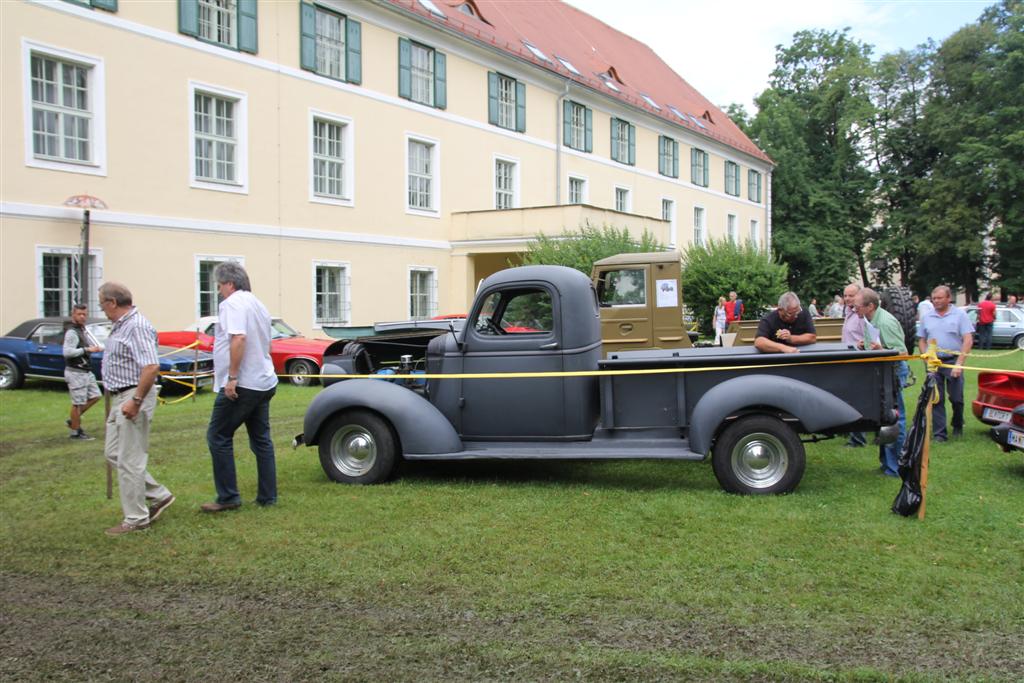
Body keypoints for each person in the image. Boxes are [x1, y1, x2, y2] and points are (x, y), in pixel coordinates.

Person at [98, 282, 175, 536]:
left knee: (130, 459)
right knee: (113, 453)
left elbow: (151, 367)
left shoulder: (136, 325)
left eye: (102, 304)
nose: (102, 309)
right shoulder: (121, 325)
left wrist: (137, 400)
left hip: (134, 395)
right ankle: (159, 495)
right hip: (121, 395)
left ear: (112, 302)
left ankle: (136, 518)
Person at [202, 261, 278, 513]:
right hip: (263, 380)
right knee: (261, 440)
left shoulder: (232, 304)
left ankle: (228, 497)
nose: (219, 290)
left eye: (220, 285)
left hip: (244, 383)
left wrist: (232, 377)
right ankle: (268, 496)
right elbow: (267, 343)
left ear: (230, 284)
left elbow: (239, 338)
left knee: (218, 436)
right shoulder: (258, 304)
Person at [855, 288, 909, 477]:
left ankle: (898, 467)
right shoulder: (870, 320)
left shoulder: (885, 322)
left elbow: (902, 353)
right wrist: (867, 346)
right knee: (886, 419)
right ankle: (887, 464)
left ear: (870, 306)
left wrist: (883, 349)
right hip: (883, 374)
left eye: (858, 307)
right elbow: (878, 347)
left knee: (896, 420)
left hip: (893, 374)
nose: (855, 310)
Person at [918, 285, 974, 442]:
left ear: (949, 298)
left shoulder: (960, 315)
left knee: (956, 398)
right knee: (937, 398)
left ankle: (957, 423)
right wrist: (925, 356)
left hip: (953, 361)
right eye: (933, 298)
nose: (936, 301)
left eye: (939, 298)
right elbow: (921, 339)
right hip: (934, 363)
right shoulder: (927, 317)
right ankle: (939, 434)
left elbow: (968, 340)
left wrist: (959, 364)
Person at [63, 303, 103, 440]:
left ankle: (73, 420)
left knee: (96, 396)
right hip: (75, 372)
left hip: (86, 371)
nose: (82, 317)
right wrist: (87, 350)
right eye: (79, 314)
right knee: (77, 402)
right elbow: (67, 352)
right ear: (73, 315)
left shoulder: (82, 329)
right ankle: (76, 432)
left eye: (85, 314)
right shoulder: (72, 332)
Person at [841, 284, 867, 447]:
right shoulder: (849, 313)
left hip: (860, 362)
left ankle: (858, 438)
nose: (848, 299)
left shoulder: (861, 316)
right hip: (849, 361)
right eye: (845, 295)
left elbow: (869, 337)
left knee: (858, 400)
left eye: (851, 295)